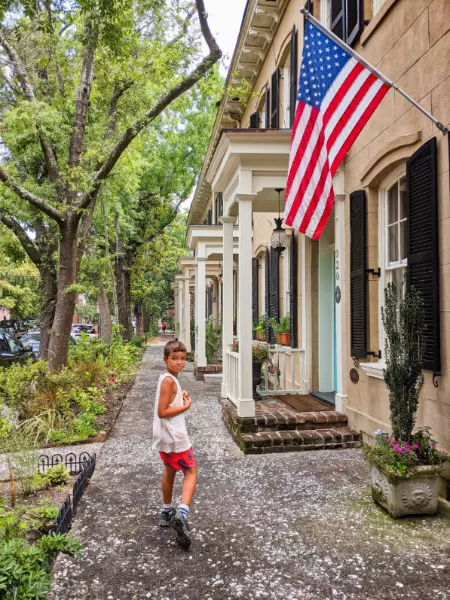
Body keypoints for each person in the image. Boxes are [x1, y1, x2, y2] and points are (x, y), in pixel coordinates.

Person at [153, 340, 196, 550]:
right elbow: (163, 412)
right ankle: (182, 513)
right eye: (174, 359)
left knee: (169, 471)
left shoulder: (168, 377)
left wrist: (180, 398)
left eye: (182, 359)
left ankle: (166, 511)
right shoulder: (169, 381)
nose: (179, 363)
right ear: (165, 359)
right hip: (175, 436)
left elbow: (169, 401)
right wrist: (185, 406)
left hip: (165, 438)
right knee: (190, 472)